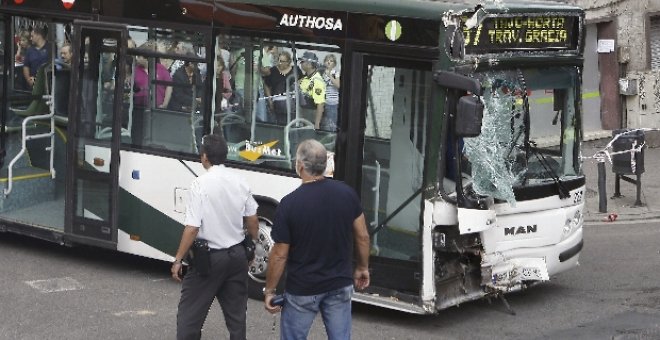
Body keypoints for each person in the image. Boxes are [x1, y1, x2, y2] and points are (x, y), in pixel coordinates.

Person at [264, 139, 371, 340]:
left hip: (302, 289)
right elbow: (363, 236)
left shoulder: (289, 204)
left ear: (300, 166)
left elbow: (279, 255)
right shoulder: (347, 194)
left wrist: (270, 290)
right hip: (340, 284)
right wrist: (362, 267)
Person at [171, 133, 259, 340]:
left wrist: (178, 259)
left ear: (204, 157)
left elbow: (192, 228)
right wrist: (251, 246)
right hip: (237, 257)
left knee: (189, 317)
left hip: (208, 260)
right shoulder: (240, 181)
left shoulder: (200, 184)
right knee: (237, 318)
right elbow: (252, 220)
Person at [263, 51, 301, 125]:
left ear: (288, 62)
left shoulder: (295, 70)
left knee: (292, 125)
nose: (280, 63)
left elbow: (302, 80)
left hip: (292, 105)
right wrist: (270, 100)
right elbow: (266, 85)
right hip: (277, 105)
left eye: (283, 61)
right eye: (279, 61)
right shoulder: (273, 70)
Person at [298, 51, 326, 129]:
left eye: (303, 61)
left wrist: (316, 124)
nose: (301, 63)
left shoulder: (317, 80)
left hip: (311, 115)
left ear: (309, 64)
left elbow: (320, 104)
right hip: (303, 113)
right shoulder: (306, 78)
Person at [321, 54, 340, 131]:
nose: (329, 62)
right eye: (327, 60)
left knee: (333, 124)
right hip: (326, 102)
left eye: (331, 61)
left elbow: (338, 85)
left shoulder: (336, 73)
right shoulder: (323, 73)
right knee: (326, 124)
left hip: (334, 103)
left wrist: (330, 75)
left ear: (334, 64)